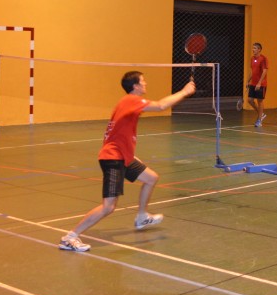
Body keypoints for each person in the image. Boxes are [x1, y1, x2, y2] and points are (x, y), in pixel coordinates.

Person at [59, 72, 196, 252]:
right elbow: (162, 105)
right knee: (108, 207)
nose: (146, 83)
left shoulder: (126, 103)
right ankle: (70, 237)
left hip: (123, 156)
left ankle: (141, 217)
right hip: (113, 159)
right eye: (143, 81)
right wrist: (184, 91)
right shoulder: (131, 100)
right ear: (136, 86)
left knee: (151, 178)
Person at [247, 42, 269, 127]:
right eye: (253, 48)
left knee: (260, 101)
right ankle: (261, 114)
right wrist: (248, 80)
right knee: (250, 100)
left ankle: (259, 120)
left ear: (259, 49)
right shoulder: (252, 59)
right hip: (253, 83)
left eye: (255, 48)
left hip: (261, 84)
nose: (253, 50)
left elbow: (264, 71)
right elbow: (252, 71)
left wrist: (259, 83)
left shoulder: (263, 59)